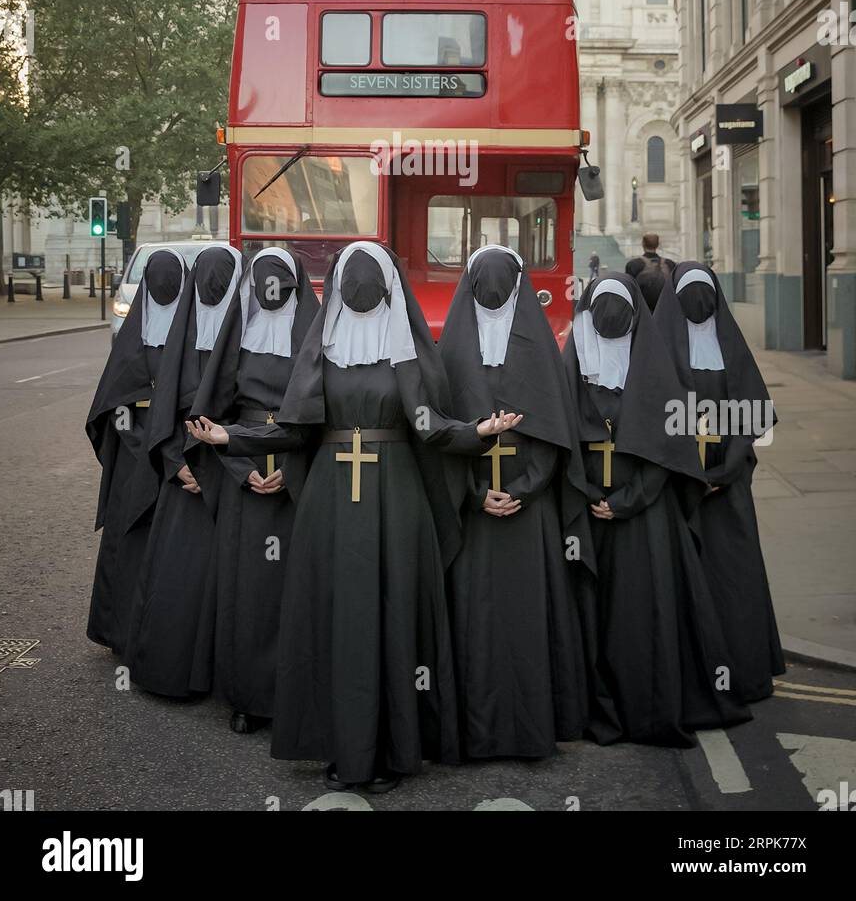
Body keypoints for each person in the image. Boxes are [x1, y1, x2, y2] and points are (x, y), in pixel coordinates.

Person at [266, 241, 523, 792]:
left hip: (398, 498)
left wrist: (476, 434)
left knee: (393, 614)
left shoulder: (407, 350)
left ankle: (391, 748)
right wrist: (230, 438)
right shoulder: (323, 348)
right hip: (332, 501)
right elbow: (294, 428)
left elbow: (429, 427)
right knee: (337, 617)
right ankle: (340, 744)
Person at [562, 274, 751, 746]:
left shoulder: (656, 370)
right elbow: (559, 443)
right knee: (592, 614)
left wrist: (626, 501)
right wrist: (588, 495)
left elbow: (670, 450)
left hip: (644, 518)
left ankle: (648, 706)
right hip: (587, 516)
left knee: (642, 615)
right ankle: (592, 705)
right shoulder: (571, 373)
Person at [438, 244, 594, 759]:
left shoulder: (538, 349)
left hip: (528, 510)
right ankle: (474, 730)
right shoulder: (451, 353)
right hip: (475, 512)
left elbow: (555, 435)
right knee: (474, 623)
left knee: (526, 619)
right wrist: (476, 493)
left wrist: (523, 490)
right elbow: (441, 438)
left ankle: (530, 728)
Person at [184, 247, 319, 733]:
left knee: (291, 591)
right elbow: (211, 414)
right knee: (247, 592)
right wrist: (241, 471)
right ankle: (246, 696)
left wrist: (289, 466)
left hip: (293, 478)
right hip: (243, 476)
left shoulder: (314, 337)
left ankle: (291, 692)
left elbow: (321, 420)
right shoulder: (237, 336)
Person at [653, 262, 784, 701]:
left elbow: (753, 421)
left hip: (728, 494)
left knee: (733, 580)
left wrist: (724, 472)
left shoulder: (731, 346)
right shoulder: (660, 350)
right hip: (678, 490)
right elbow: (652, 421)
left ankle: (743, 672)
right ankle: (692, 677)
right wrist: (691, 473)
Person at [124, 245, 241, 698]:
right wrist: (176, 463)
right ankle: (171, 669)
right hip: (186, 479)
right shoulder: (182, 340)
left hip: (228, 474)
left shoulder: (250, 337)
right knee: (178, 575)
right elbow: (163, 414)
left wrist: (219, 464)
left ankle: (223, 676)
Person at [86, 247, 187, 656]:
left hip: (148, 454)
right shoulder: (187, 333)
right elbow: (114, 405)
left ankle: (132, 633)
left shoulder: (142, 335)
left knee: (142, 540)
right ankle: (126, 632)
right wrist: (163, 448)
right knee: (138, 540)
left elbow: (113, 407)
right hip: (159, 454)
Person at [625, 232, 677, 313]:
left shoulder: (633, 265)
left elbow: (629, 290)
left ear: (643, 244)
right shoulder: (670, 264)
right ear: (658, 244)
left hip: (643, 312)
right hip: (665, 310)